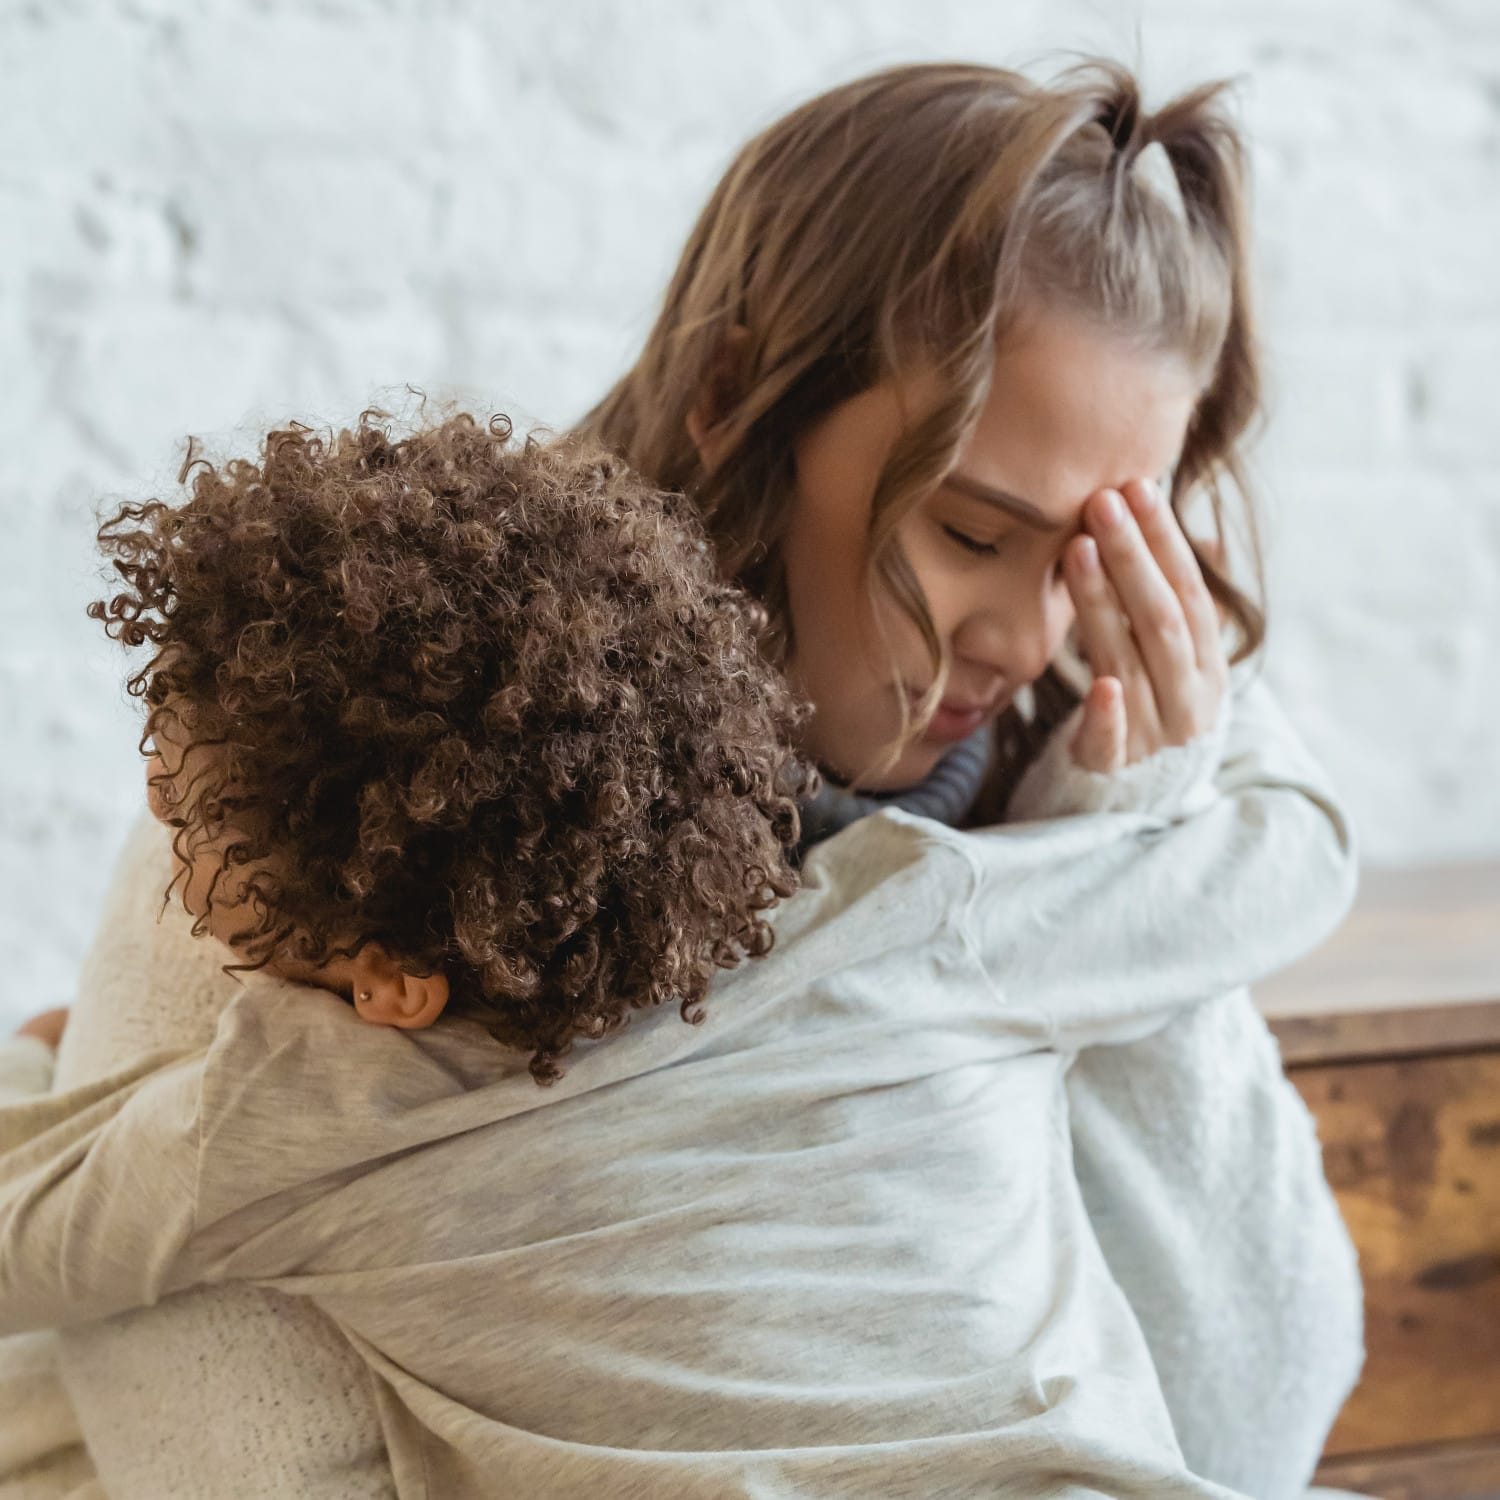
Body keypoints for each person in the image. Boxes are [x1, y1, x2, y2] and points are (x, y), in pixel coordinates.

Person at [5, 57, 1365, 1500]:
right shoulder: (368, 814)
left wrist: (1131, 804)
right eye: (970, 532)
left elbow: (1251, 1414)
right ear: (737, 393)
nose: (1028, 637)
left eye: (1097, 553)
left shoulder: (1072, 772)